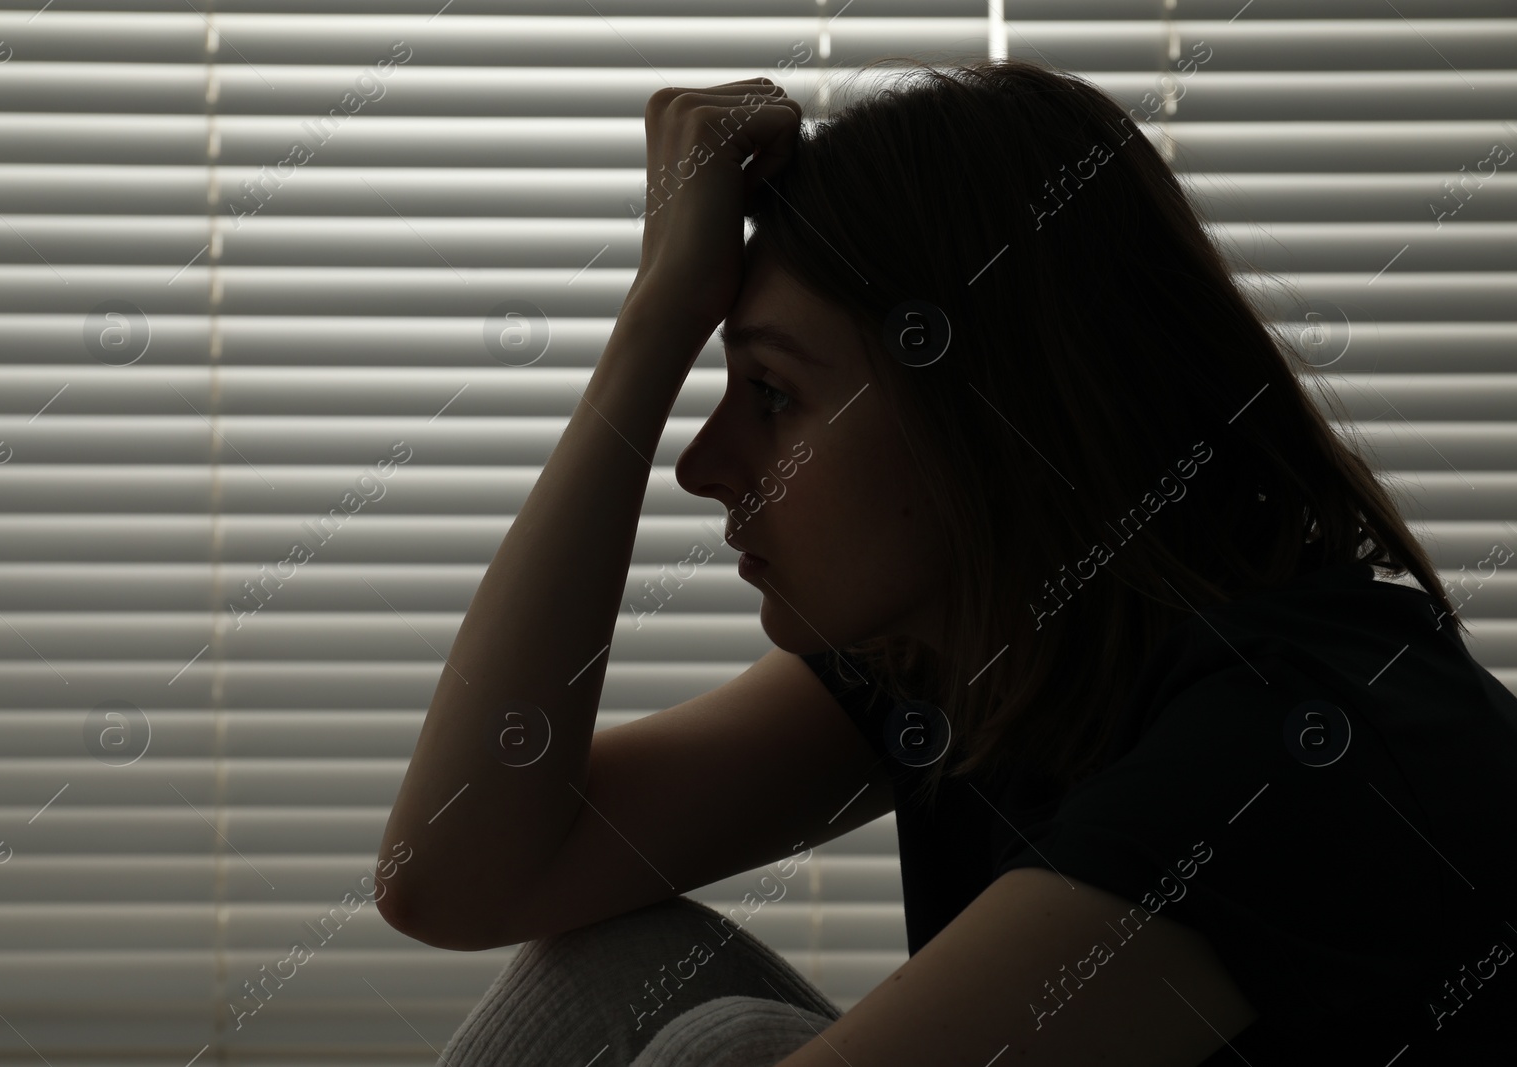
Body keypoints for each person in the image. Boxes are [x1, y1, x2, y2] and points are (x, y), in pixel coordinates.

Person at [376, 57, 1517, 1066]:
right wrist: (652, 317)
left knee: (723, 1044)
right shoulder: (976, 649)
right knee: (611, 966)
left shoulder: (1285, 744)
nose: (703, 464)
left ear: (994, 417)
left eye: (772, 391)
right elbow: (456, 872)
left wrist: (661, 313)